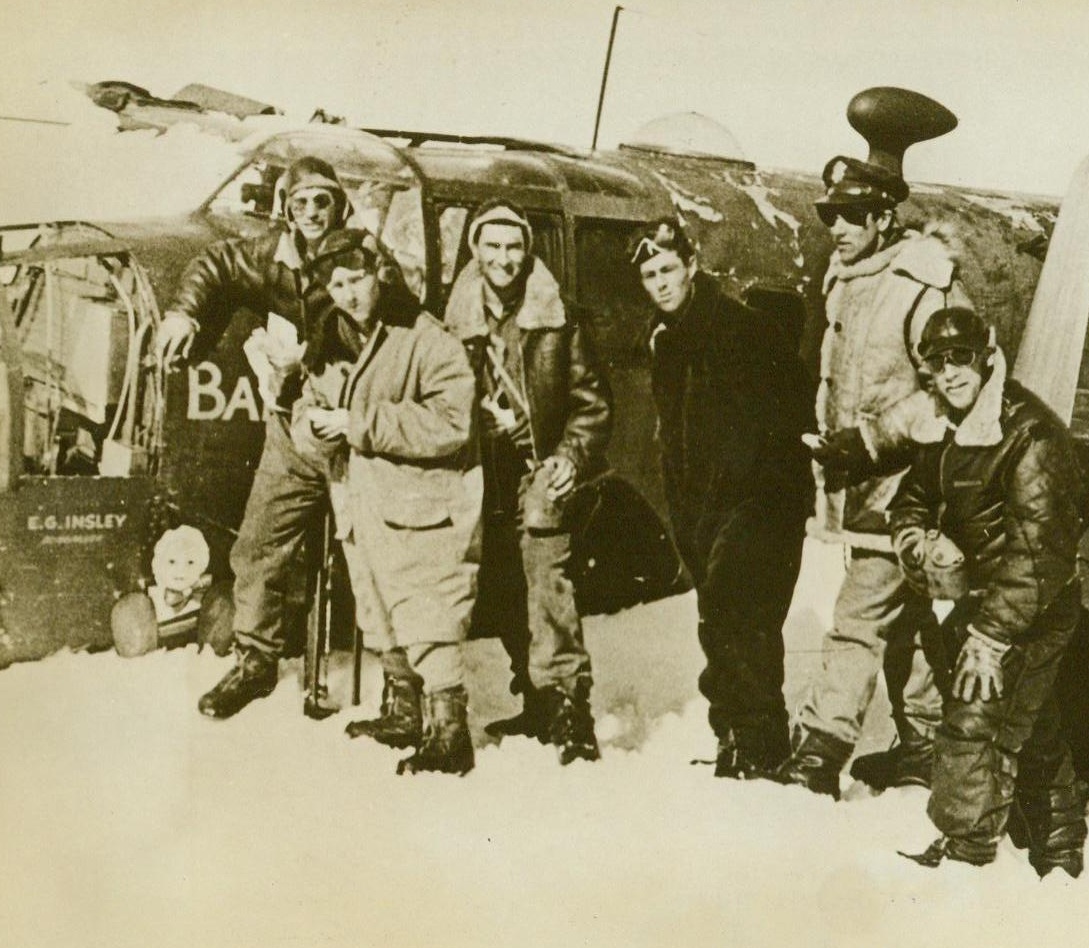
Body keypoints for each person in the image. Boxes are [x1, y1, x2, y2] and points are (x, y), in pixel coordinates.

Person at [155, 155, 415, 720]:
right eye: (301, 203)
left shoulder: (364, 257)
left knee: (380, 557)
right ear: (286, 211)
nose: (313, 213)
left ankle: (403, 687)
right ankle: (255, 661)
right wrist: (183, 315)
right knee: (257, 546)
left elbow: (400, 320)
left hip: (355, 431)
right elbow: (216, 264)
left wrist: (326, 359)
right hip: (295, 428)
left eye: (323, 201)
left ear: (339, 205)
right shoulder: (271, 255)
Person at [779, 88, 970, 797]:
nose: (836, 227)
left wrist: (869, 440)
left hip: (910, 487)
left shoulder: (924, 284)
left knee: (858, 619)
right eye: (830, 214)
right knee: (911, 620)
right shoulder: (849, 276)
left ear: (883, 216)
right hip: (866, 487)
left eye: (851, 217)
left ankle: (820, 750)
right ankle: (924, 744)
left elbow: (954, 389)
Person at [889, 306, 1087, 876]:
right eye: (936, 363)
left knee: (974, 721)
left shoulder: (1029, 433)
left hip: (1031, 609)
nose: (949, 373)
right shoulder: (948, 424)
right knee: (1031, 726)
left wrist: (990, 639)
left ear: (986, 356)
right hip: (984, 603)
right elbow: (914, 496)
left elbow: (1038, 555)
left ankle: (966, 857)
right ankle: (1060, 853)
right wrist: (916, 539)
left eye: (960, 359)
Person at [291, 229, 482, 775]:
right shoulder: (332, 343)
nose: (347, 295)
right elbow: (307, 407)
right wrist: (313, 431)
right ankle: (403, 709)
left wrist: (358, 424)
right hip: (361, 504)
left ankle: (450, 731)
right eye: (336, 285)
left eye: (355, 281)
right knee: (378, 612)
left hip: (419, 507)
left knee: (427, 613)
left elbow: (452, 422)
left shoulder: (425, 338)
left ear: (380, 274)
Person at [632, 218, 814, 778]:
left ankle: (761, 743)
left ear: (691, 267)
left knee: (744, 619)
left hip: (759, 500)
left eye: (668, 270)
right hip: (704, 507)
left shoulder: (739, 329)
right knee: (719, 621)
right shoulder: (666, 339)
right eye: (649, 275)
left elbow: (777, 424)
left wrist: (754, 501)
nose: (661, 283)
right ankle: (736, 738)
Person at [443, 199, 611, 765]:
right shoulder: (452, 316)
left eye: (514, 246)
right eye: (492, 246)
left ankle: (568, 706)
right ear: (475, 250)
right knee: (495, 580)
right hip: (477, 467)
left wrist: (568, 456)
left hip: (536, 465)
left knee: (545, 569)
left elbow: (592, 406)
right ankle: (532, 697)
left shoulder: (560, 315)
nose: (504, 259)